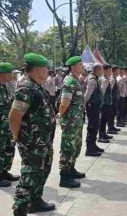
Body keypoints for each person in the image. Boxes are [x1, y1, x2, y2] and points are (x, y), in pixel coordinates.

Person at [9, 53, 56, 216]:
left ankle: (35, 202)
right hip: (32, 142)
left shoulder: (36, 85)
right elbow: (14, 115)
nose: (48, 71)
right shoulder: (26, 88)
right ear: (37, 69)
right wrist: (16, 137)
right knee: (30, 174)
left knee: (43, 170)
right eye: (46, 68)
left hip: (42, 141)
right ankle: (20, 208)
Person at [58, 56, 85, 188]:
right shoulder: (69, 81)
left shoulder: (76, 80)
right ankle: (64, 176)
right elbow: (64, 103)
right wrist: (60, 116)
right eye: (80, 64)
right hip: (70, 121)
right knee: (68, 147)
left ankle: (71, 168)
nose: (82, 66)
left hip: (77, 121)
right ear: (73, 67)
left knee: (75, 145)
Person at [0, 63, 19, 188]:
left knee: (8, 149)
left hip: (6, 126)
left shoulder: (4, 87)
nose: (11, 76)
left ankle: (4, 171)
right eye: (9, 73)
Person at [84, 63, 104, 157]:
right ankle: (89, 149)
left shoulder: (95, 78)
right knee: (92, 127)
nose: (102, 72)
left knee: (95, 126)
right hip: (92, 107)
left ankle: (93, 145)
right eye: (101, 70)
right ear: (97, 70)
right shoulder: (92, 80)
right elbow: (87, 94)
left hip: (95, 106)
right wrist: (83, 105)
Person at [98, 64, 114, 142]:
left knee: (105, 119)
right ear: (105, 70)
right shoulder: (104, 79)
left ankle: (103, 133)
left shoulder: (106, 78)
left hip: (107, 102)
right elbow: (102, 92)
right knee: (103, 119)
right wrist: (101, 103)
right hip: (104, 103)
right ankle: (101, 136)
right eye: (110, 70)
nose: (111, 71)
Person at [107, 66, 121, 134]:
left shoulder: (114, 78)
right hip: (112, 99)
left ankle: (112, 126)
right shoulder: (112, 79)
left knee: (114, 113)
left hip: (115, 99)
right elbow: (110, 90)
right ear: (114, 71)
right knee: (111, 114)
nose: (119, 72)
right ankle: (110, 128)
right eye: (118, 70)